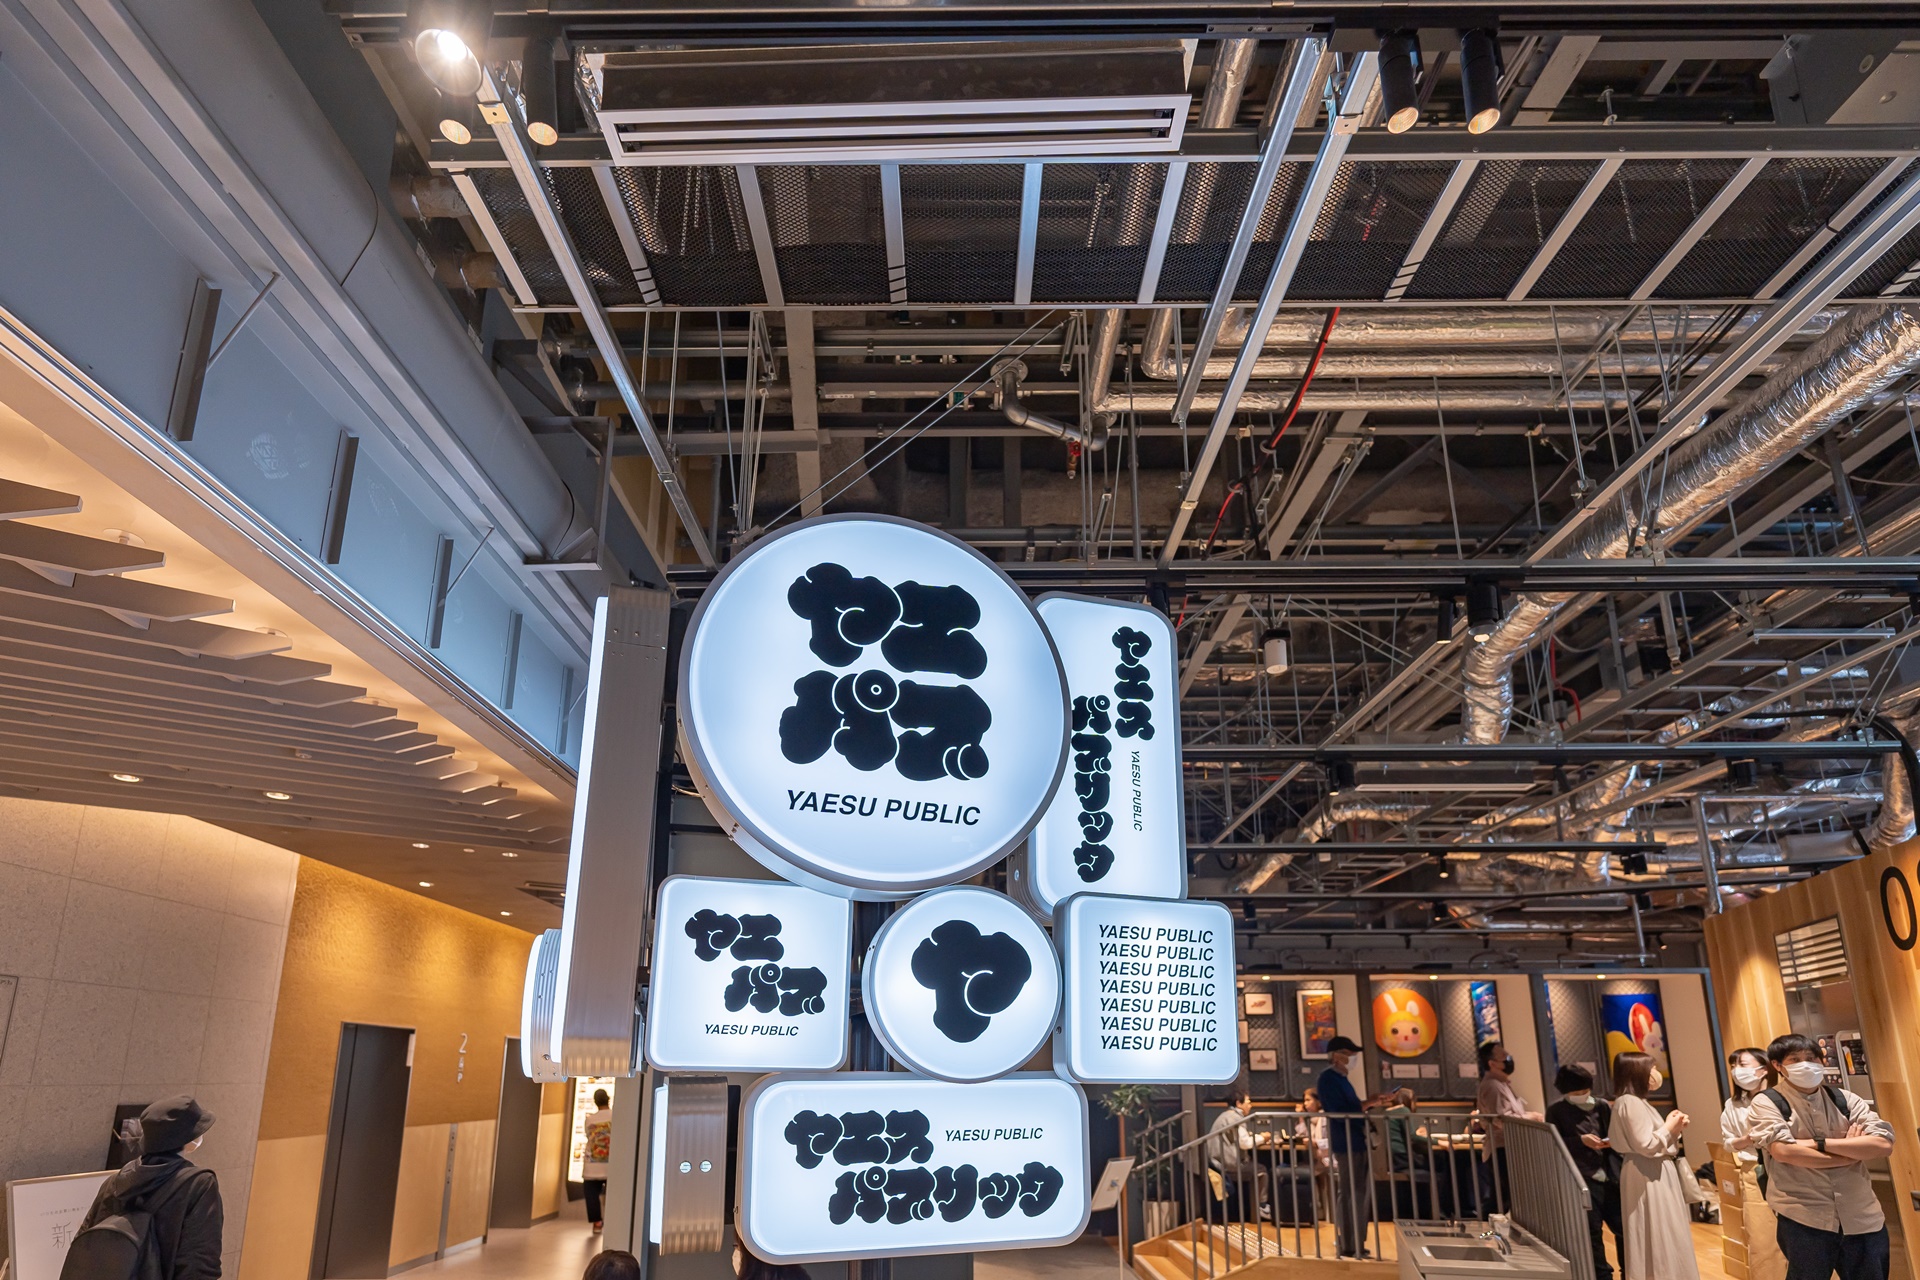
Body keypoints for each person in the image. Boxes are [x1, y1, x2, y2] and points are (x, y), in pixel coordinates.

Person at [1747, 1033, 1895, 1280]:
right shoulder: (1767, 1102)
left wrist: (1819, 1144)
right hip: (1804, 1218)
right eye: (1795, 1059)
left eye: (1811, 1058)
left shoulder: (1846, 1099)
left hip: (1862, 1216)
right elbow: (1783, 1151)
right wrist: (1849, 1152)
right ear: (1778, 1065)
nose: (1806, 1064)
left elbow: (1883, 1145)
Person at [70, 1096, 222, 1280]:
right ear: (188, 1137)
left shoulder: (113, 1182)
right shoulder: (198, 1184)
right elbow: (200, 1264)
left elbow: (85, 1244)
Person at [1608, 1050, 1700, 1280]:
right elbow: (1646, 1144)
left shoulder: (1636, 1102)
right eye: (1652, 1068)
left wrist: (1674, 1128)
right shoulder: (1630, 1102)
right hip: (1648, 1171)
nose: (1656, 1073)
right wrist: (1669, 1127)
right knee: (1658, 1229)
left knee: (1662, 1228)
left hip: (1650, 1169)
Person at [1316, 1035, 1392, 1259]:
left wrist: (1371, 1102)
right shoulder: (1329, 1079)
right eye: (1349, 1054)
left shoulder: (1341, 1079)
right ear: (1336, 1056)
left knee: (1358, 1192)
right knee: (1353, 1192)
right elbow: (1341, 1111)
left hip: (1355, 1140)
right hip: (1347, 1141)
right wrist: (1368, 1103)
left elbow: (1352, 1107)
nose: (1353, 1058)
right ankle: (1350, 1243)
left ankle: (1355, 1241)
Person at [1545, 1064, 1624, 1280]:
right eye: (1577, 1092)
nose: (1583, 1095)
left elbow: (1615, 1134)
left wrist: (1611, 1142)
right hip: (1582, 1179)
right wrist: (1581, 1140)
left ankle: (1629, 1272)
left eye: (1586, 1090)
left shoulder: (1602, 1106)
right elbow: (1554, 1142)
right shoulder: (1556, 1111)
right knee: (1592, 1232)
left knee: (1623, 1229)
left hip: (1610, 1177)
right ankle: (1602, 1276)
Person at [1721, 1047, 1787, 1280]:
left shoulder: (1782, 1096)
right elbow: (1728, 1142)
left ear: (1764, 1069)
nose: (1736, 1071)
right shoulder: (1733, 1105)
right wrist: (1746, 1139)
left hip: (1790, 1167)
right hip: (1753, 1171)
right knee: (1762, 1238)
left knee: (1804, 1237)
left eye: (1742, 1064)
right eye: (1733, 1066)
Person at [1474, 1039, 1542, 1212]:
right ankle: (1486, 1227)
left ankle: (1488, 1226)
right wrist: (1531, 1117)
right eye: (1504, 1056)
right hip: (1501, 1147)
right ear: (1492, 1063)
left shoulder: (1501, 1084)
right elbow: (1501, 1119)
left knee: (1503, 1197)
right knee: (1503, 1197)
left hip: (1507, 1146)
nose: (1508, 1058)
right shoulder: (1493, 1086)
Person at [1205, 1087, 1266, 1222]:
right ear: (1239, 1103)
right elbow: (1245, 1143)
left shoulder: (1226, 1115)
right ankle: (1261, 1207)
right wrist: (1263, 1138)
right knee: (1261, 1170)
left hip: (1216, 1161)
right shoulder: (1235, 1117)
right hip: (1227, 1164)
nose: (1250, 1105)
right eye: (1248, 1102)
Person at [583, 1088, 613, 1232]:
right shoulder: (615, 1115)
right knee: (614, 1195)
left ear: (595, 1102)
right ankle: (614, 1221)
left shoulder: (590, 1120)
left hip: (592, 1165)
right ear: (608, 1099)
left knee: (591, 1194)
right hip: (611, 1164)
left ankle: (597, 1223)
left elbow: (588, 1136)